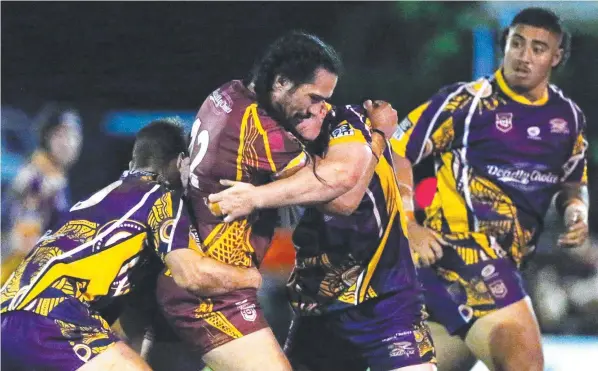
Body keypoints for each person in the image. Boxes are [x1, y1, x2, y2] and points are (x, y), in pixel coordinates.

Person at [390, 8, 589, 371]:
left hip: (488, 267)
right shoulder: (467, 103)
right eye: (516, 44)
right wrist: (408, 223)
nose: (524, 56)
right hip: (461, 252)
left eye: (538, 48)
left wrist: (576, 209)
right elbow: (397, 148)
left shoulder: (567, 117)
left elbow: (572, 179)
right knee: (524, 362)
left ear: (556, 57)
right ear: (505, 47)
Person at [1, 119, 262, 371]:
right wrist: (249, 277)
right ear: (182, 162)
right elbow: (191, 274)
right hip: (52, 316)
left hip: (8, 314)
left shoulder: (98, 199)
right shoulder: (160, 196)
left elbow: (130, 316)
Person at [155, 31, 343, 371]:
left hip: (197, 273)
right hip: (212, 291)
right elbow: (331, 188)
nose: (320, 109)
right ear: (282, 82)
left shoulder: (227, 93)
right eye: (314, 98)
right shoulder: (262, 130)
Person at [208, 101, 437, 371]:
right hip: (318, 308)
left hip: (385, 304)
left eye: (320, 100)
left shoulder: (349, 124)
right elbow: (343, 195)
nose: (318, 109)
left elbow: (391, 159)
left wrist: (407, 215)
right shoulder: (271, 148)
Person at [2, 107, 83, 285]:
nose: (69, 143)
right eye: (61, 135)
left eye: (74, 136)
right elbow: (24, 241)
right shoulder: (37, 178)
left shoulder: (53, 176)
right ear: (46, 138)